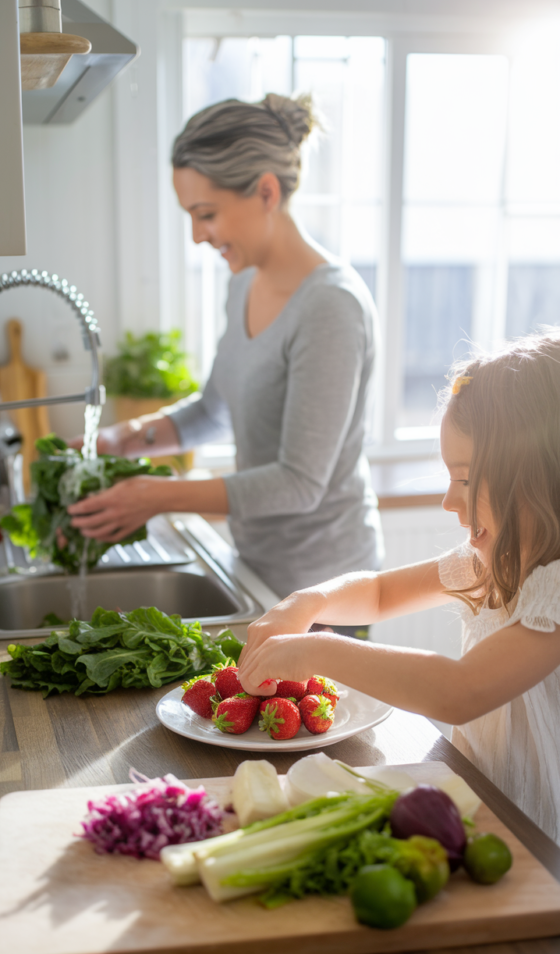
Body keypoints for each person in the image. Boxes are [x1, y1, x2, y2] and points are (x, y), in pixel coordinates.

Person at [238, 332, 560, 843]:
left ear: (538, 478)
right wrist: (305, 603)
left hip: (540, 833)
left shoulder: (555, 589)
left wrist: (317, 650)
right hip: (483, 803)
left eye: (465, 479)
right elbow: (382, 593)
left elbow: (459, 691)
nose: (449, 502)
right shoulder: (498, 558)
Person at [68, 93, 383, 600]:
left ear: (265, 192)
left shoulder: (330, 306)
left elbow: (300, 483)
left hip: (327, 592)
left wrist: (157, 496)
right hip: (258, 572)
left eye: (206, 213)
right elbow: (216, 408)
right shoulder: (243, 283)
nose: (196, 236)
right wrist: (124, 438)